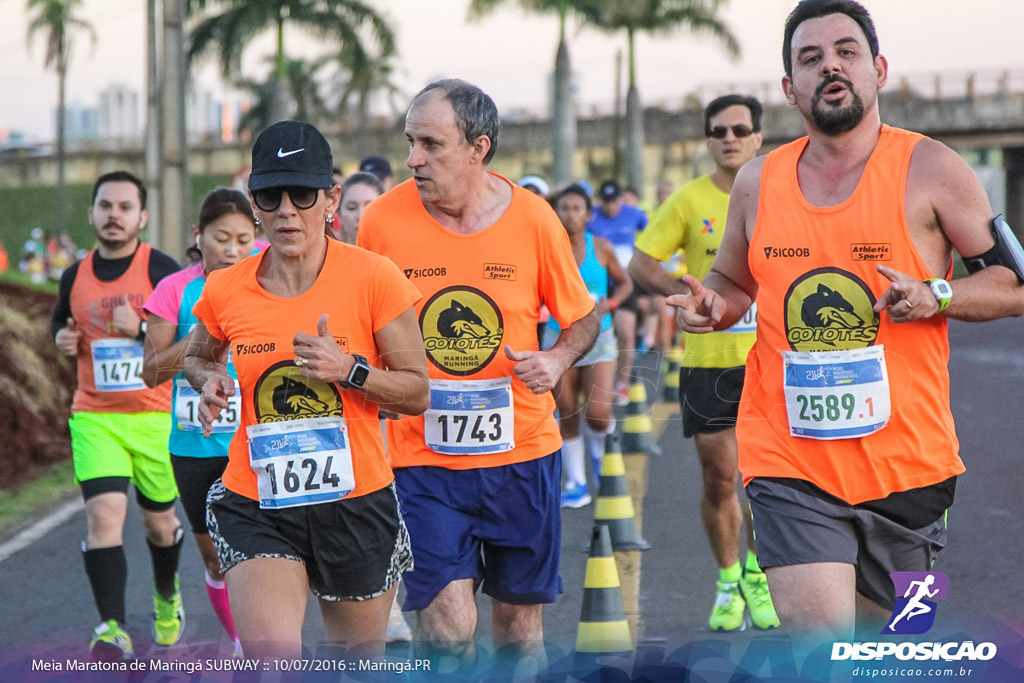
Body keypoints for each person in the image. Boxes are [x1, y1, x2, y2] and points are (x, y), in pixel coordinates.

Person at [668, 0, 1024, 643]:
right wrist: (712, 306)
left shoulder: (933, 168)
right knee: (820, 644)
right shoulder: (756, 181)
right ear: (790, 88)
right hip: (788, 455)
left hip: (909, 467)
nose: (830, 65)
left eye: (846, 52)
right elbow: (731, 283)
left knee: (900, 650)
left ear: (878, 69)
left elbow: (1012, 284)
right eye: (810, 58)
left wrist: (937, 293)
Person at [358, 79, 598, 664]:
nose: (414, 159)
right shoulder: (382, 223)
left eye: (431, 144)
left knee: (517, 631)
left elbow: (583, 319)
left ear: (478, 147)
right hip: (423, 463)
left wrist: (557, 357)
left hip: (522, 455)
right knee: (446, 629)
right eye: (410, 142)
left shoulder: (536, 221)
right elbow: (359, 331)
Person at [183, 120, 429, 662]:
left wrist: (350, 370)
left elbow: (416, 393)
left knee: (357, 666)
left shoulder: (374, 278)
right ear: (255, 204)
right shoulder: (226, 288)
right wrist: (211, 381)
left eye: (303, 194)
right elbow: (197, 357)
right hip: (259, 502)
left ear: (331, 200)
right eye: (271, 196)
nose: (287, 210)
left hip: (355, 502)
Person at [629, 94, 779, 632]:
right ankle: (727, 578)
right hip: (710, 363)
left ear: (759, 137)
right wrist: (682, 295)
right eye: (719, 131)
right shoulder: (689, 201)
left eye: (740, 128)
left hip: (776, 363)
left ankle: (760, 575)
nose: (730, 138)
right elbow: (641, 261)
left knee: (775, 483)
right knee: (720, 481)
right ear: (708, 140)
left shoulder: (782, 194)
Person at [50, 170, 184, 660]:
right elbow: (59, 323)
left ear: (142, 217)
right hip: (95, 416)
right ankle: (112, 628)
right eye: (105, 205)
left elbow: (190, 333)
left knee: (159, 526)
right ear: (92, 213)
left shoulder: (161, 270)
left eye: (125, 207)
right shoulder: (74, 275)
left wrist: (142, 327)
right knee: (104, 517)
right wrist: (60, 339)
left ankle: (167, 596)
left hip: (154, 417)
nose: (114, 215)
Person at [142, 188, 255, 656]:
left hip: (252, 441)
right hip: (194, 445)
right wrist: (200, 333)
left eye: (244, 239)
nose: (232, 249)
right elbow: (151, 370)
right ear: (199, 236)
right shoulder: (175, 289)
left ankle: (258, 646)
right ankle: (237, 639)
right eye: (221, 237)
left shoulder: (264, 277)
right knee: (214, 556)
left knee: (260, 556)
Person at [544, 184, 632, 508]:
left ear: (589, 214)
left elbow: (626, 283)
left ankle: (599, 454)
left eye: (577, 208)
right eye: (564, 208)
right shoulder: (548, 249)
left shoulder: (602, 248)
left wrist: (611, 303)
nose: (570, 214)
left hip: (600, 336)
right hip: (558, 339)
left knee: (597, 413)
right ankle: (576, 484)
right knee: (566, 413)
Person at [587, 179, 650, 402]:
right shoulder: (590, 215)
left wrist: (645, 257)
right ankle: (592, 382)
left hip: (626, 282)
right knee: (594, 335)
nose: (610, 206)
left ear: (620, 200)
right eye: (605, 201)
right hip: (599, 286)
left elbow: (653, 231)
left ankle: (622, 384)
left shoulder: (634, 214)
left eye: (613, 201)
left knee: (625, 332)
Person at [333, 171, 384, 244]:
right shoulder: (328, 253)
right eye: (352, 208)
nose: (360, 216)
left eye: (370, 207)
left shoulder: (397, 252)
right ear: (339, 213)